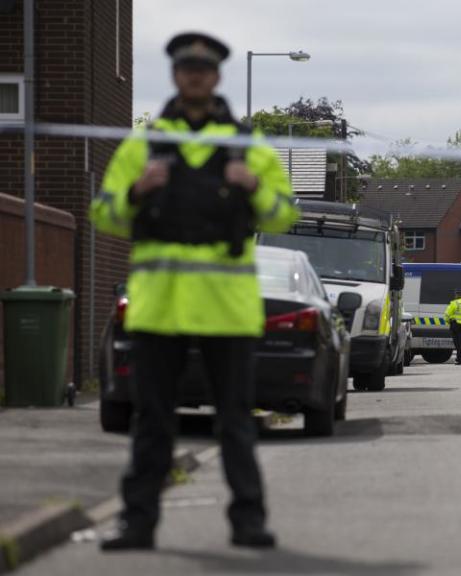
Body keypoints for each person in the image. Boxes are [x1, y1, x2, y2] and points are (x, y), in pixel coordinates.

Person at [90, 32, 299, 550]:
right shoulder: (145, 144)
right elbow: (103, 212)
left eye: (204, 69)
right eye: (187, 68)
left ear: (216, 77)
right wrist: (138, 190)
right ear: (177, 75)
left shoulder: (247, 146)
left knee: (236, 422)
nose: (195, 76)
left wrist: (255, 186)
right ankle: (137, 524)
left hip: (225, 311)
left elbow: (286, 213)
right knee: (152, 421)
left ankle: (248, 522)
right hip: (159, 307)